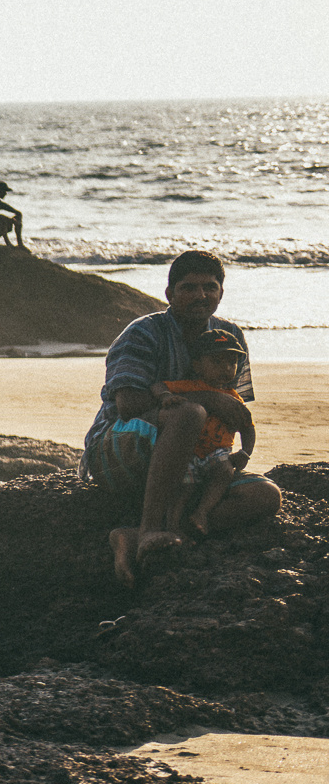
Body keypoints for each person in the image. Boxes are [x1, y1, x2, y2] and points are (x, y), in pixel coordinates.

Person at [82, 250, 282, 586]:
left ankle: (145, 532)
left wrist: (235, 455)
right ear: (170, 294)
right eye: (189, 287)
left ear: (221, 292)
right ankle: (149, 529)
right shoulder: (143, 332)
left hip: (192, 463)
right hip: (122, 451)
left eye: (210, 287)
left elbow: (231, 408)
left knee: (266, 495)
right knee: (190, 413)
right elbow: (128, 403)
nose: (201, 295)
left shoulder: (228, 335)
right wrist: (203, 398)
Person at [152, 330, 256, 539]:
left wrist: (245, 452)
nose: (226, 369)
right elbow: (158, 385)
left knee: (224, 472)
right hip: (188, 452)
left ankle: (201, 513)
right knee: (183, 487)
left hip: (217, 453)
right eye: (217, 362)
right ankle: (172, 525)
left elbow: (248, 426)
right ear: (197, 365)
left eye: (231, 363)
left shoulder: (235, 398)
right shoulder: (189, 387)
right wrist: (165, 396)